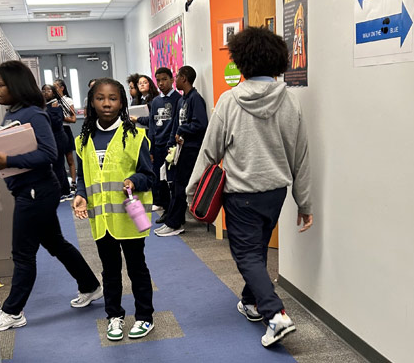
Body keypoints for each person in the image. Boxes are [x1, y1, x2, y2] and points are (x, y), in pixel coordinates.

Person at [186, 27, 314, 347]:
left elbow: (210, 150)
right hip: (275, 193)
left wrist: (192, 190)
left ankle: (275, 315)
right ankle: (252, 301)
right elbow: (301, 156)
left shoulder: (229, 101)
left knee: (246, 254)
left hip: (241, 193)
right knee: (256, 249)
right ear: (278, 61)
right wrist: (305, 203)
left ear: (241, 62)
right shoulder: (291, 101)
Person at [0, 61, 102, 332]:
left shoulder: (33, 114)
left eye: (1, 84)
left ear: (15, 86)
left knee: (22, 253)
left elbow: (50, 154)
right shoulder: (14, 112)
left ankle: (13, 311)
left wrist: (10, 160)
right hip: (31, 190)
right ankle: (90, 285)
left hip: (36, 192)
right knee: (56, 243)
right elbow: (15, 148)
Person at [73, 78, 156, 341]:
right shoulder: (84, 139)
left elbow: (148, 175)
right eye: (100, 98)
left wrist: (134, 181)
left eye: (112, 98)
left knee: (136, 268)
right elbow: (83, 178)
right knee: (109, 271)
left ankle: (144, 317)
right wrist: (80, 196)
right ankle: (114, 316)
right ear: (91, 102)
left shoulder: (134, 135)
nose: (106, 103)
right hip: (102, 220)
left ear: (121, 102)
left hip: (129, 218)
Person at [155, 66, 207, 237]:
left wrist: (183, 129)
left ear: (184, 78)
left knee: (180, 187)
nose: (175, 79)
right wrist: (172, 143)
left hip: (191, 150)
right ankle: (173, 220)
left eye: (177, 76)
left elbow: (200, 124)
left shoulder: (195, 99)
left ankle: (174, 223)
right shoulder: (182, 100)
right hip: (179, 149)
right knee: (175, 186)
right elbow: (176, 126)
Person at [132, 68, 180, 221]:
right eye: (158, 80)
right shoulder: (156, 101)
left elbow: (177, 123)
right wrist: (151, 148)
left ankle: (175, 214)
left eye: (164, 79)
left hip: (171, 146)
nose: (161, 83)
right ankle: (166, 209)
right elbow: (152, 125)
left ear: (172, 80)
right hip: (157, 145)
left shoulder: (178, 99)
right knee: (160, 180)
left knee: (173, 181)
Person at [42, 84, 71, 202]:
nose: (45, 92)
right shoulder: (46, 105)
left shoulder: (55, 105)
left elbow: (57, 122)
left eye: (48, 90)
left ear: (53, 93)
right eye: (43, 90)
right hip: (53, 139)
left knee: (58, 166)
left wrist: (45, 115)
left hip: (59, 138)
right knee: (59, 165)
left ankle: (60, 192)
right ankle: (65, 191)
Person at [53, 78, 77, 197]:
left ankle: (73, 183)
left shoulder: (68, 100)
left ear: (62, 88)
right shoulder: (52, 102)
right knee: (58, 161)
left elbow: (73, 119)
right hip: (56, 131)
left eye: (56, 87)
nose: (54, 90)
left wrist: (60, 117)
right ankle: (62, 187)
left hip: (65, 130)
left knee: (70, 159)